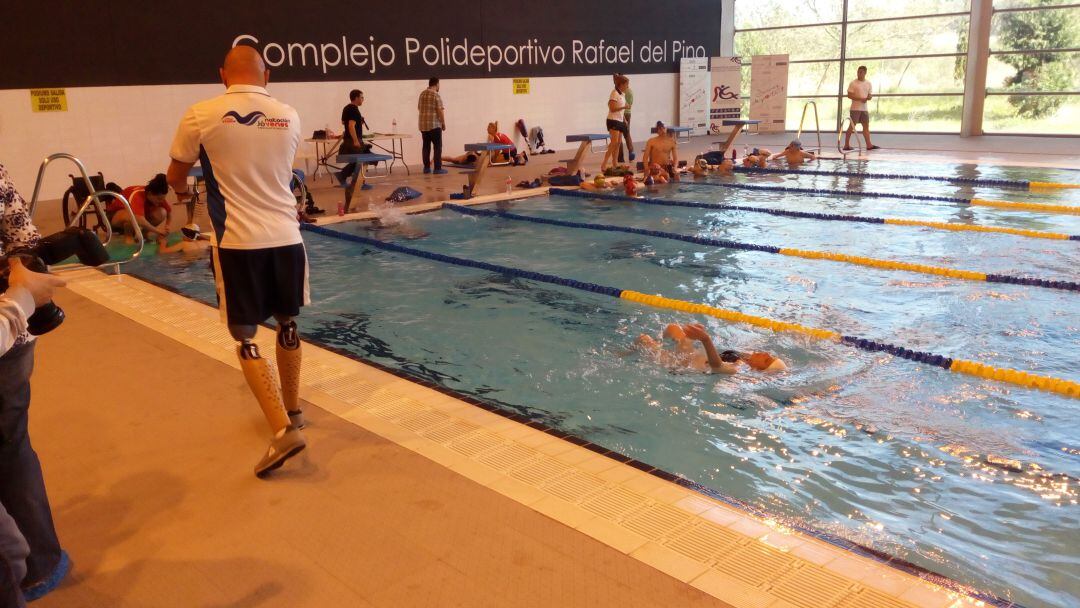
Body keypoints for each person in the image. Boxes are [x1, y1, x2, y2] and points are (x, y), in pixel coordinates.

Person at [166, 46, 308, 477]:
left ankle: (283, 432)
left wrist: (183, 194)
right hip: (288, 238)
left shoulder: (202, 113)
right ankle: (294, 410)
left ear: (222, 74)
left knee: (245, 335)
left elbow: (176, 175)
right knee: (287, 323)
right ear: (266, 75)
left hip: (237, 243)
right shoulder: (289, 115)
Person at [0, 162, 71, 604]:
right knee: (12, 446)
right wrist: (22, 293)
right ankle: (38, 565)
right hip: (10, 331)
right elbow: (24, 238)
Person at [634, 323, 787, 374]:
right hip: (690, 355)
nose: (766, 353)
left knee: (644, 339)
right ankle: (660, 344)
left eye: (767, 359)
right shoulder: (745, 359)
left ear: (759, 368)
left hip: (684, 365)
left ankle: (625, 354)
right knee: (675, 328)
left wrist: (705, 339)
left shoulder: (739, 370)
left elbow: (717, 366)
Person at [107, 173, 173, 243]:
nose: (161, 201)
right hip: (114, 219)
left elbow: (169, 213)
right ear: (150, 193)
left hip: (136, 217)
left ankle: (143, 235)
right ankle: (129, 237)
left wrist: (167, 226)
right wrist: (158, 231)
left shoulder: (158, 195)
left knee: (162, 212)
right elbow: (140, 219)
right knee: (132, 215)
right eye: (159, 199)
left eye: (163, 199)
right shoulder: (137, 195)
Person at [336, 89, 372, 187]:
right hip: (353, 140)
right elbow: (351, 125)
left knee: (358, 161)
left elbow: (344, 122)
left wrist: (358, 121)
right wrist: (356, 141)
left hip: (347, 140)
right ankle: (358, 183)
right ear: (356, 98)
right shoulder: (354, 109)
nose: (363, 99)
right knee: (362, 160)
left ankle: (344, 176)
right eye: (361, 97)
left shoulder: (346, 108)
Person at [844, 66, 880, 151]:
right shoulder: (853, 83)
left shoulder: (868, 83)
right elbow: (849, 95)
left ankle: (869, 145)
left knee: (866, 126)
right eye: (858, 72)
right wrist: (860, 99)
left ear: (865, 73)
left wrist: (869, 97)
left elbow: (869, 95)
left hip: (864, 109)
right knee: (852, 126)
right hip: (855, 109)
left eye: (861, 72)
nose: (859, 73)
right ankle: (846, 145)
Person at [601, 75, 631, 172]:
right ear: (621, 84)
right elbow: (612, 109)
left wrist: (625, 121)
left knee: (618, 143)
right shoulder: (614, 93)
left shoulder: (622, 94)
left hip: (620, 120)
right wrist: (624, 107)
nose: (627, 86)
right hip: (613, 120)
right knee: (613, 143)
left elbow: (620, 112)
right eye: (626, 84)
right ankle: (604, 164)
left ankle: (615, 163)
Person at [418, 77, 447, 175]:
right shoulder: (436, 95)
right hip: (434, 125)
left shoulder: (422, 94)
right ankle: (437, 168)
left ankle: (426, 168)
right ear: (437, 84)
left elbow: (419, 108)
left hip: (423, 125)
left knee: (426, 147)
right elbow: (440, 111)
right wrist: (443, 123)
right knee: (437, 147)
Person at [613, 73, 636, 163]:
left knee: (620, 136)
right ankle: (630, 151)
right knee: (626, 133)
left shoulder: (621, 92)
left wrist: (623, 115)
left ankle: (620, 157)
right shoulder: (628, 91)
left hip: (622, 114)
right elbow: (629, 105)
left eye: (616, 79)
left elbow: (624, 105)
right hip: (626, 114)